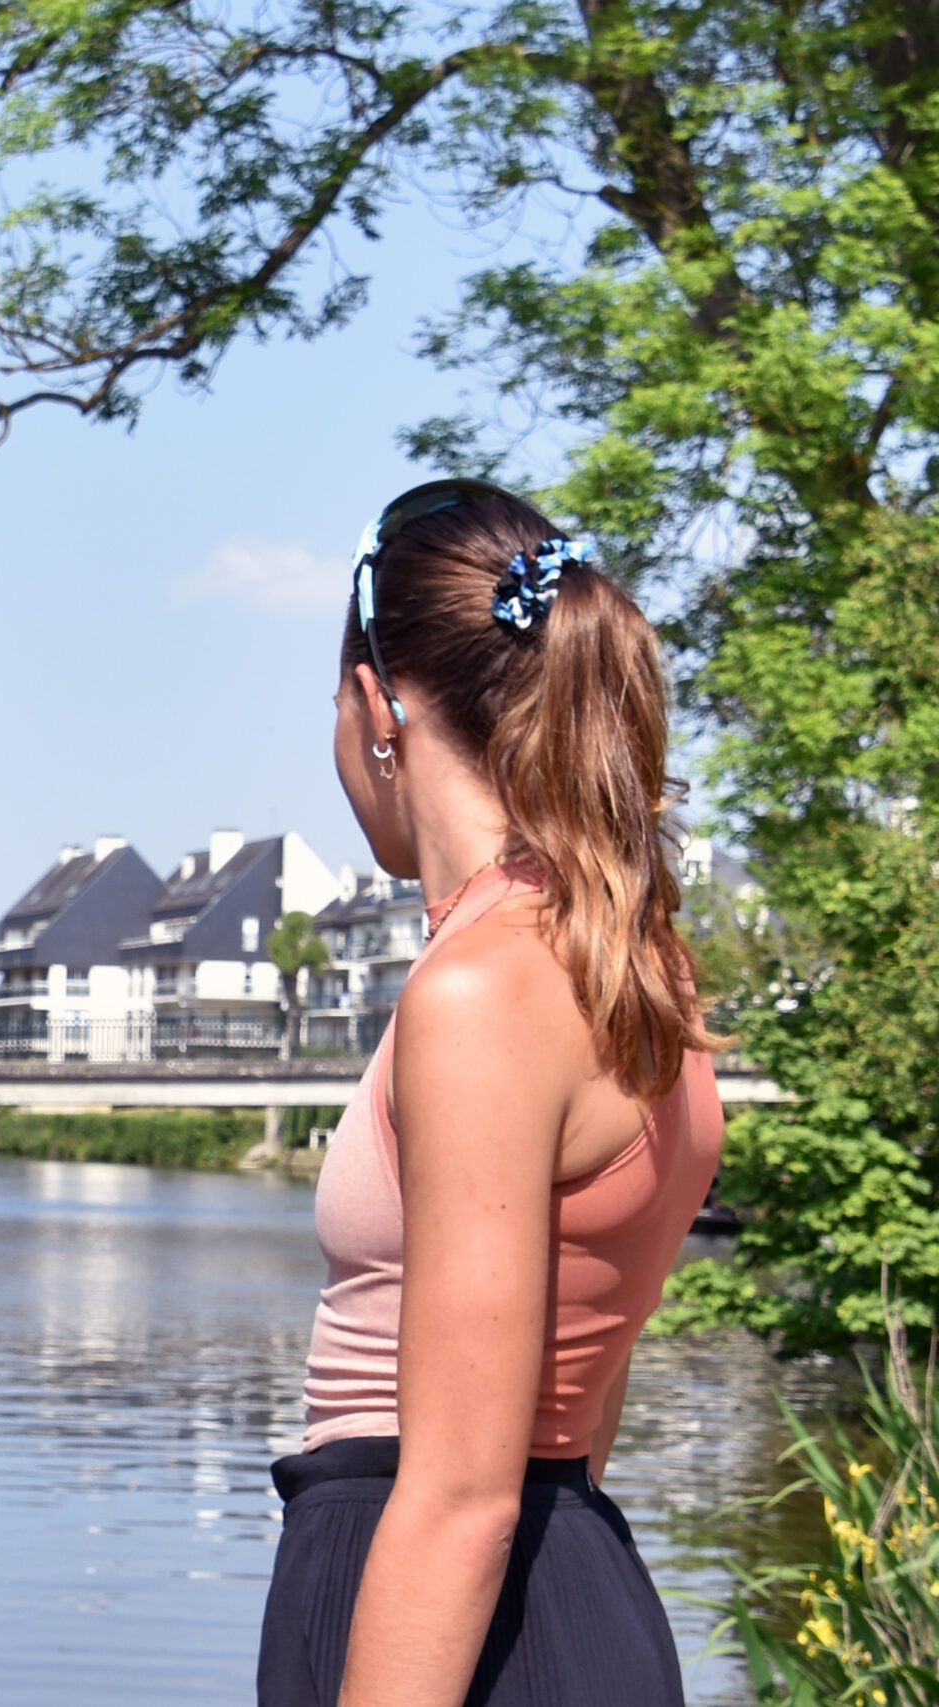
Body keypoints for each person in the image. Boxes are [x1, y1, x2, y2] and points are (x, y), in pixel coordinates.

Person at [256, 480, 724, 1707]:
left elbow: (461, 1501)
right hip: (567, 1586)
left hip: (437, 1612)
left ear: (377, 706)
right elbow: (579, 1394)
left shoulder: (481, 992)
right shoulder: (633, 965)